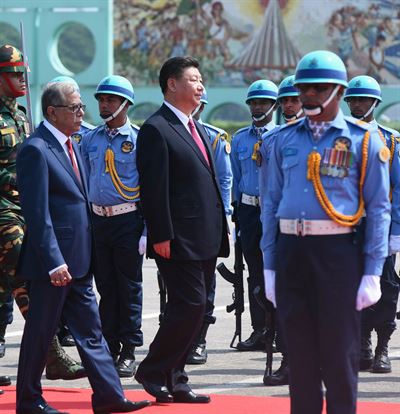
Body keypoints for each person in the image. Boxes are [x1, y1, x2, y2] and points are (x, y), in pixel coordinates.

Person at [261, 50, 391, 414]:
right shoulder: (283, 140)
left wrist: (372, 271)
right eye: (304, 89)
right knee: (299, 355)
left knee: (339, 353)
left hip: (338, 255)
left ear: (338, 91)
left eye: (318, 89)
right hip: (291, 252)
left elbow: (379, 209)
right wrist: (269, 264)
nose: (308, 96)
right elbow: (270, 204)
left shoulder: (365, 141)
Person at [15, 81, 150, 414]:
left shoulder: (73, 144)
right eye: (74, 108)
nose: (81, 113)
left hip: (78, 258)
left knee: (91, 331)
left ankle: (108, 396)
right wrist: (53, 261)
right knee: (41, 332)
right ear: (52, 112)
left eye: (80, 107)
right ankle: (29, 400)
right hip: (55, 263)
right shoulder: (36, 148)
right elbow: (38, 212)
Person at [135, 56, 229, 403]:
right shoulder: (156, 129)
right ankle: (152, 370)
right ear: (172, 84)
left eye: (201, 79)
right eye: (193, 79)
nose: (200, 85)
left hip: (204, 234)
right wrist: (160, 233)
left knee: (198, 306)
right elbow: (153, 188)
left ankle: (176, 378)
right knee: (188, 305)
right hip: (177, 238)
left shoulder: (196, 126)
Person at [0, 44, 85, 387]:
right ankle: (52, 356)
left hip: (23, 209)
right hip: (3, 214)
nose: (21, 79)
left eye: (24, 73)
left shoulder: (22, 116)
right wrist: (16, 177)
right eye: (14, 73)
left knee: (7, 289)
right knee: (25, 278)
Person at [81, 75, 146, 378]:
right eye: (101, 100)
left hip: (127, 219)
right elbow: (81, 181)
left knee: (128, 287)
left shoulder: (139, 139)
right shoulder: (90, 139)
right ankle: (109, 344)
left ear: (125, 104)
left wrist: (147, 230)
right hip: (98, 220)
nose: (104, 105)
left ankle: (130, 350)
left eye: (110, 99)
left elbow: (149, 187)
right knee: (105, 286)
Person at [344, 75, 400, 374]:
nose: (356, 104)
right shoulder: (339, 138)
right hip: (350, 225)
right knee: (354, 286)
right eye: (352, 99)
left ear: (375, 103)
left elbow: (399, 188)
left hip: (381, 225)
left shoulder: (390, 140)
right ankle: (363, 343)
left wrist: (396, 231)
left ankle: (382, 348)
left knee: (387, 286)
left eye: (362, 99)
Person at [259, 74, 304, 386]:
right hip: (286, 232)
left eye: (294, 99)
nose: (289, 105)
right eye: (285, 100)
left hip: (325, 234)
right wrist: (268, 247)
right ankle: (290, 360)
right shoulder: (272, 140)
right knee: (287, 303)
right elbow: (269, 197)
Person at [230, 79, 278, 351]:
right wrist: (236, 214)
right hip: (248, 210)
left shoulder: (281, 136)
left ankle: (278, 329)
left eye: (262, 102)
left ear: (274, 105)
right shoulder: (239, 139)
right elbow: (235, 179)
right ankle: (259, 329)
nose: (257, 107)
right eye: (253, 102)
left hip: (273, 211)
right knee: (253, 273)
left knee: (276, 272)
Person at [186, 89, 232, 364]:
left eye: (198, 105)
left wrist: (224, 219)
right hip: (182, 221)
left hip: (208, 221)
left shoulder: (214, 137)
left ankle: (200, 338)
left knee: (206, 283)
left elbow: (225, 181)